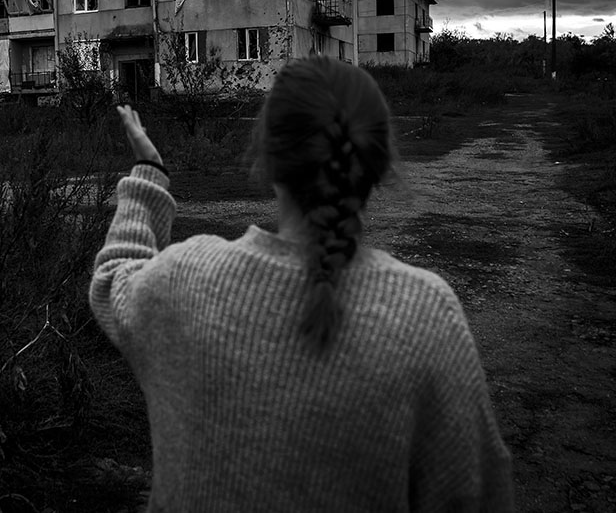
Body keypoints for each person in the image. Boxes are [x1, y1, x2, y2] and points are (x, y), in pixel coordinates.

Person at [89, 56, 513, 511]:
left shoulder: (184, 279)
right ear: (378, 161)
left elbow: (114, 278)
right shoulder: (425, 315)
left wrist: (148, 170)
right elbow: (475, 495)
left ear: (268, 156)